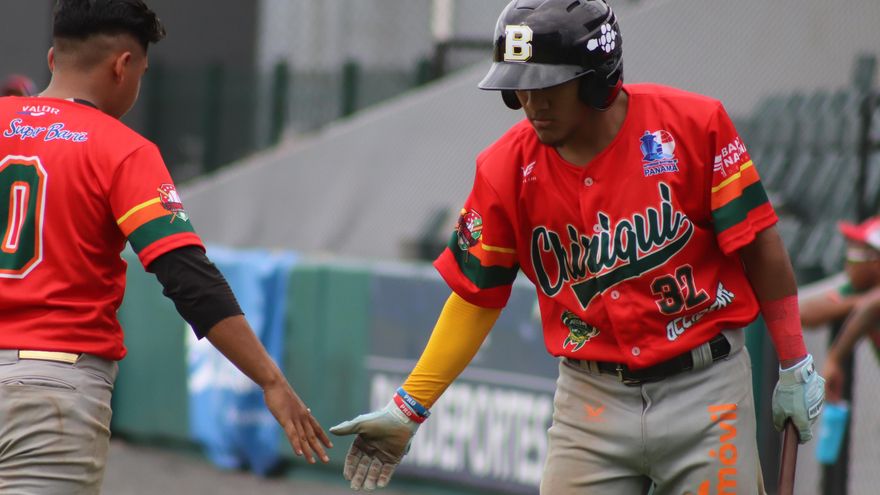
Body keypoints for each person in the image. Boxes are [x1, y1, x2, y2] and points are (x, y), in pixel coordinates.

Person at [330, 1, 825, 493]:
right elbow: (476, 297)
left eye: (547, 86)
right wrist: (410, 407)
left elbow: (760, 246)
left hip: (707, 390)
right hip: (591, 402)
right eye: (519, 87)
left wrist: (794, 362)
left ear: (595, 78)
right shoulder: (505, 168)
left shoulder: (693, 125)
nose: (532, 103)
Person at [0, 1, 331, 493]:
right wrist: (270, 380)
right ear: (122, 66)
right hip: (51, 393)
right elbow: (188, 278)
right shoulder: (122, 149)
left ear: (53, 58)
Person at [800, 216, 880, 403]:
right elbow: (803, 313)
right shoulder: (860, 291)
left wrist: (834, 359)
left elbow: (872, 305)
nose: (847, 264)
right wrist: (857, 302)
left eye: (854, 256)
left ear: (876, 262)